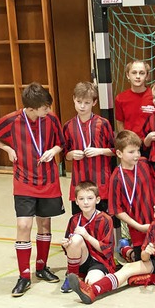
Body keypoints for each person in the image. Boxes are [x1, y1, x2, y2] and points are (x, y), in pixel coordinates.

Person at [0, 82, 65, 297]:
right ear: (32, 108)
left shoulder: (51, 119)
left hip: (48, 180)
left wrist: (52, 150)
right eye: (45, 107)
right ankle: (24, 275)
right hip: (24, 180)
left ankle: (42, 266)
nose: (48, 111)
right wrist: (7, 148)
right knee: (23, 224)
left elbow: (61, 143)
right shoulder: (12, 120)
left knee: (44, 223)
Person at [68, 190, 155, 304]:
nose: (154, 206)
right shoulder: (154, 226)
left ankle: (152, 278)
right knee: (128, 268)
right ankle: (93, 291)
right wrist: (147, 252)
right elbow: (144, 257)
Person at [109, 130, 155, 262]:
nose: (136, 155)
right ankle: (127, 251)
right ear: (119, 153)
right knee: (143, 261)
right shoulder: (116, 178)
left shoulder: (144, 163)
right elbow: (117, 210)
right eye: (131, 152)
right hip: (138, 228)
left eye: (138, 151)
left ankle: (128, 249)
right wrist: (138, 226)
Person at [63, 82, 115, 215]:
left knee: (102, 223)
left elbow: (115, 150)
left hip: (100, 185)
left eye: (86, 102)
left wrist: (100, 151)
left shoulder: (103, 123)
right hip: (78, 184)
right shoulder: (68, 126)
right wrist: (72, 154)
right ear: (73, 99)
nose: (82, 106)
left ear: (94, 102)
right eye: (79, 101)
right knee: (79, 224)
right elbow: (65, 155)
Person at [61, 181, 115, 293]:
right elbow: (69, 249)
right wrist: (66, 244)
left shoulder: (106, 219)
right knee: (76, 239)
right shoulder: (74, 220)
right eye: (81, 199)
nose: (86, 202)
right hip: (82, 259)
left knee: (91, 283)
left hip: (100, 261)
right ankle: (73, 276)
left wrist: (87, 236)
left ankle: (87, 278)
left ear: (98, 200)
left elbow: (107, 250)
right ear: (76, 201)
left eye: (90, 198)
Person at [114, 60, 155, 134]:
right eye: (134, 73)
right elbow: (120, 123)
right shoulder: (120, 98)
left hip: (152, 142)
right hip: (131, 143)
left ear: (147, 76)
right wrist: (127, 141)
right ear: (127, 75)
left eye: (142, 73)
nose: (138, 76)